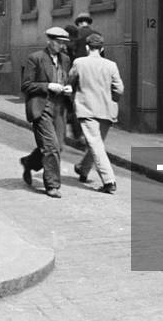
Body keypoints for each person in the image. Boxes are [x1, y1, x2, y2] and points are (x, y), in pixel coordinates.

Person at [19, 27, 74, 198]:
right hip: (41, 106)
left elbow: (66, 78)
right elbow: (26, 85)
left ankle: (29, 162)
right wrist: (47, 86)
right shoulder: (35, 58)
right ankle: (52, 185)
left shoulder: (65, 59)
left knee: (58, 146)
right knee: (51, 146)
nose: (61, 46)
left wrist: (68, 87)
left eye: (64, 43)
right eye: (58, 42)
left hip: (59, 108)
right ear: (49, 41)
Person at [69, 33, 124, 194]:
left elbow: (70, 82)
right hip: (107, 111)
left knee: (95, 144)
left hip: (87, 109)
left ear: (87, 47)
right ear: (102, 48)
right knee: (96, 143)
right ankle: (82, 169)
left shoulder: (79, 62)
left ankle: (109, 181)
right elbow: (119, 89)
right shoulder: (111, 65)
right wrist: (111, 99)